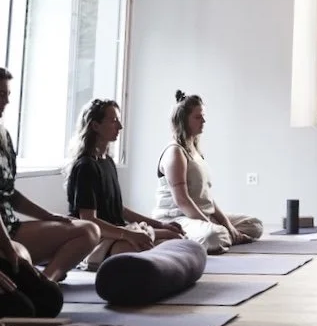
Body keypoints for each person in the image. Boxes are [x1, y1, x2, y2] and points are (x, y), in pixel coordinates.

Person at [0, 68, 100, 282]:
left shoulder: (4, 136)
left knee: (89, 230)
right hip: (3, 236)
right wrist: (8, 247)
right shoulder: (85, 165)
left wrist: (48, 216)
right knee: (20, 257)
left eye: (8, 94)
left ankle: (46, 281)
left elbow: (10, 193)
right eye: (1, 94)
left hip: (11, 227)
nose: (6, 101)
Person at [66, 98, 184, 269]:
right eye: (113, 121)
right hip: (96, 237)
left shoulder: (107, 162)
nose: (120, 127)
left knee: (176, 238)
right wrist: (128, 235)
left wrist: (160, 224)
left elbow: (119, 209)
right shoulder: (86, 166)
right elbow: (89, 220)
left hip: (119, 231)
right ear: (95, 126)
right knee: (137, 251)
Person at [153, 91, 263, 254]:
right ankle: (171, 237)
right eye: (198, 117)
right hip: (179, 218)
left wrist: (227, 224)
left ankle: (226, 235)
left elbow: (207, 197)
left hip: (202, 214)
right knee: (214, 236)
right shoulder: (175, 152)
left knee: (255, 225)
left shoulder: (196, 152)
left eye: (203, 116)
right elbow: (182, 200)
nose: (204, 121)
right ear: (183, 120)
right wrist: (211, 225)